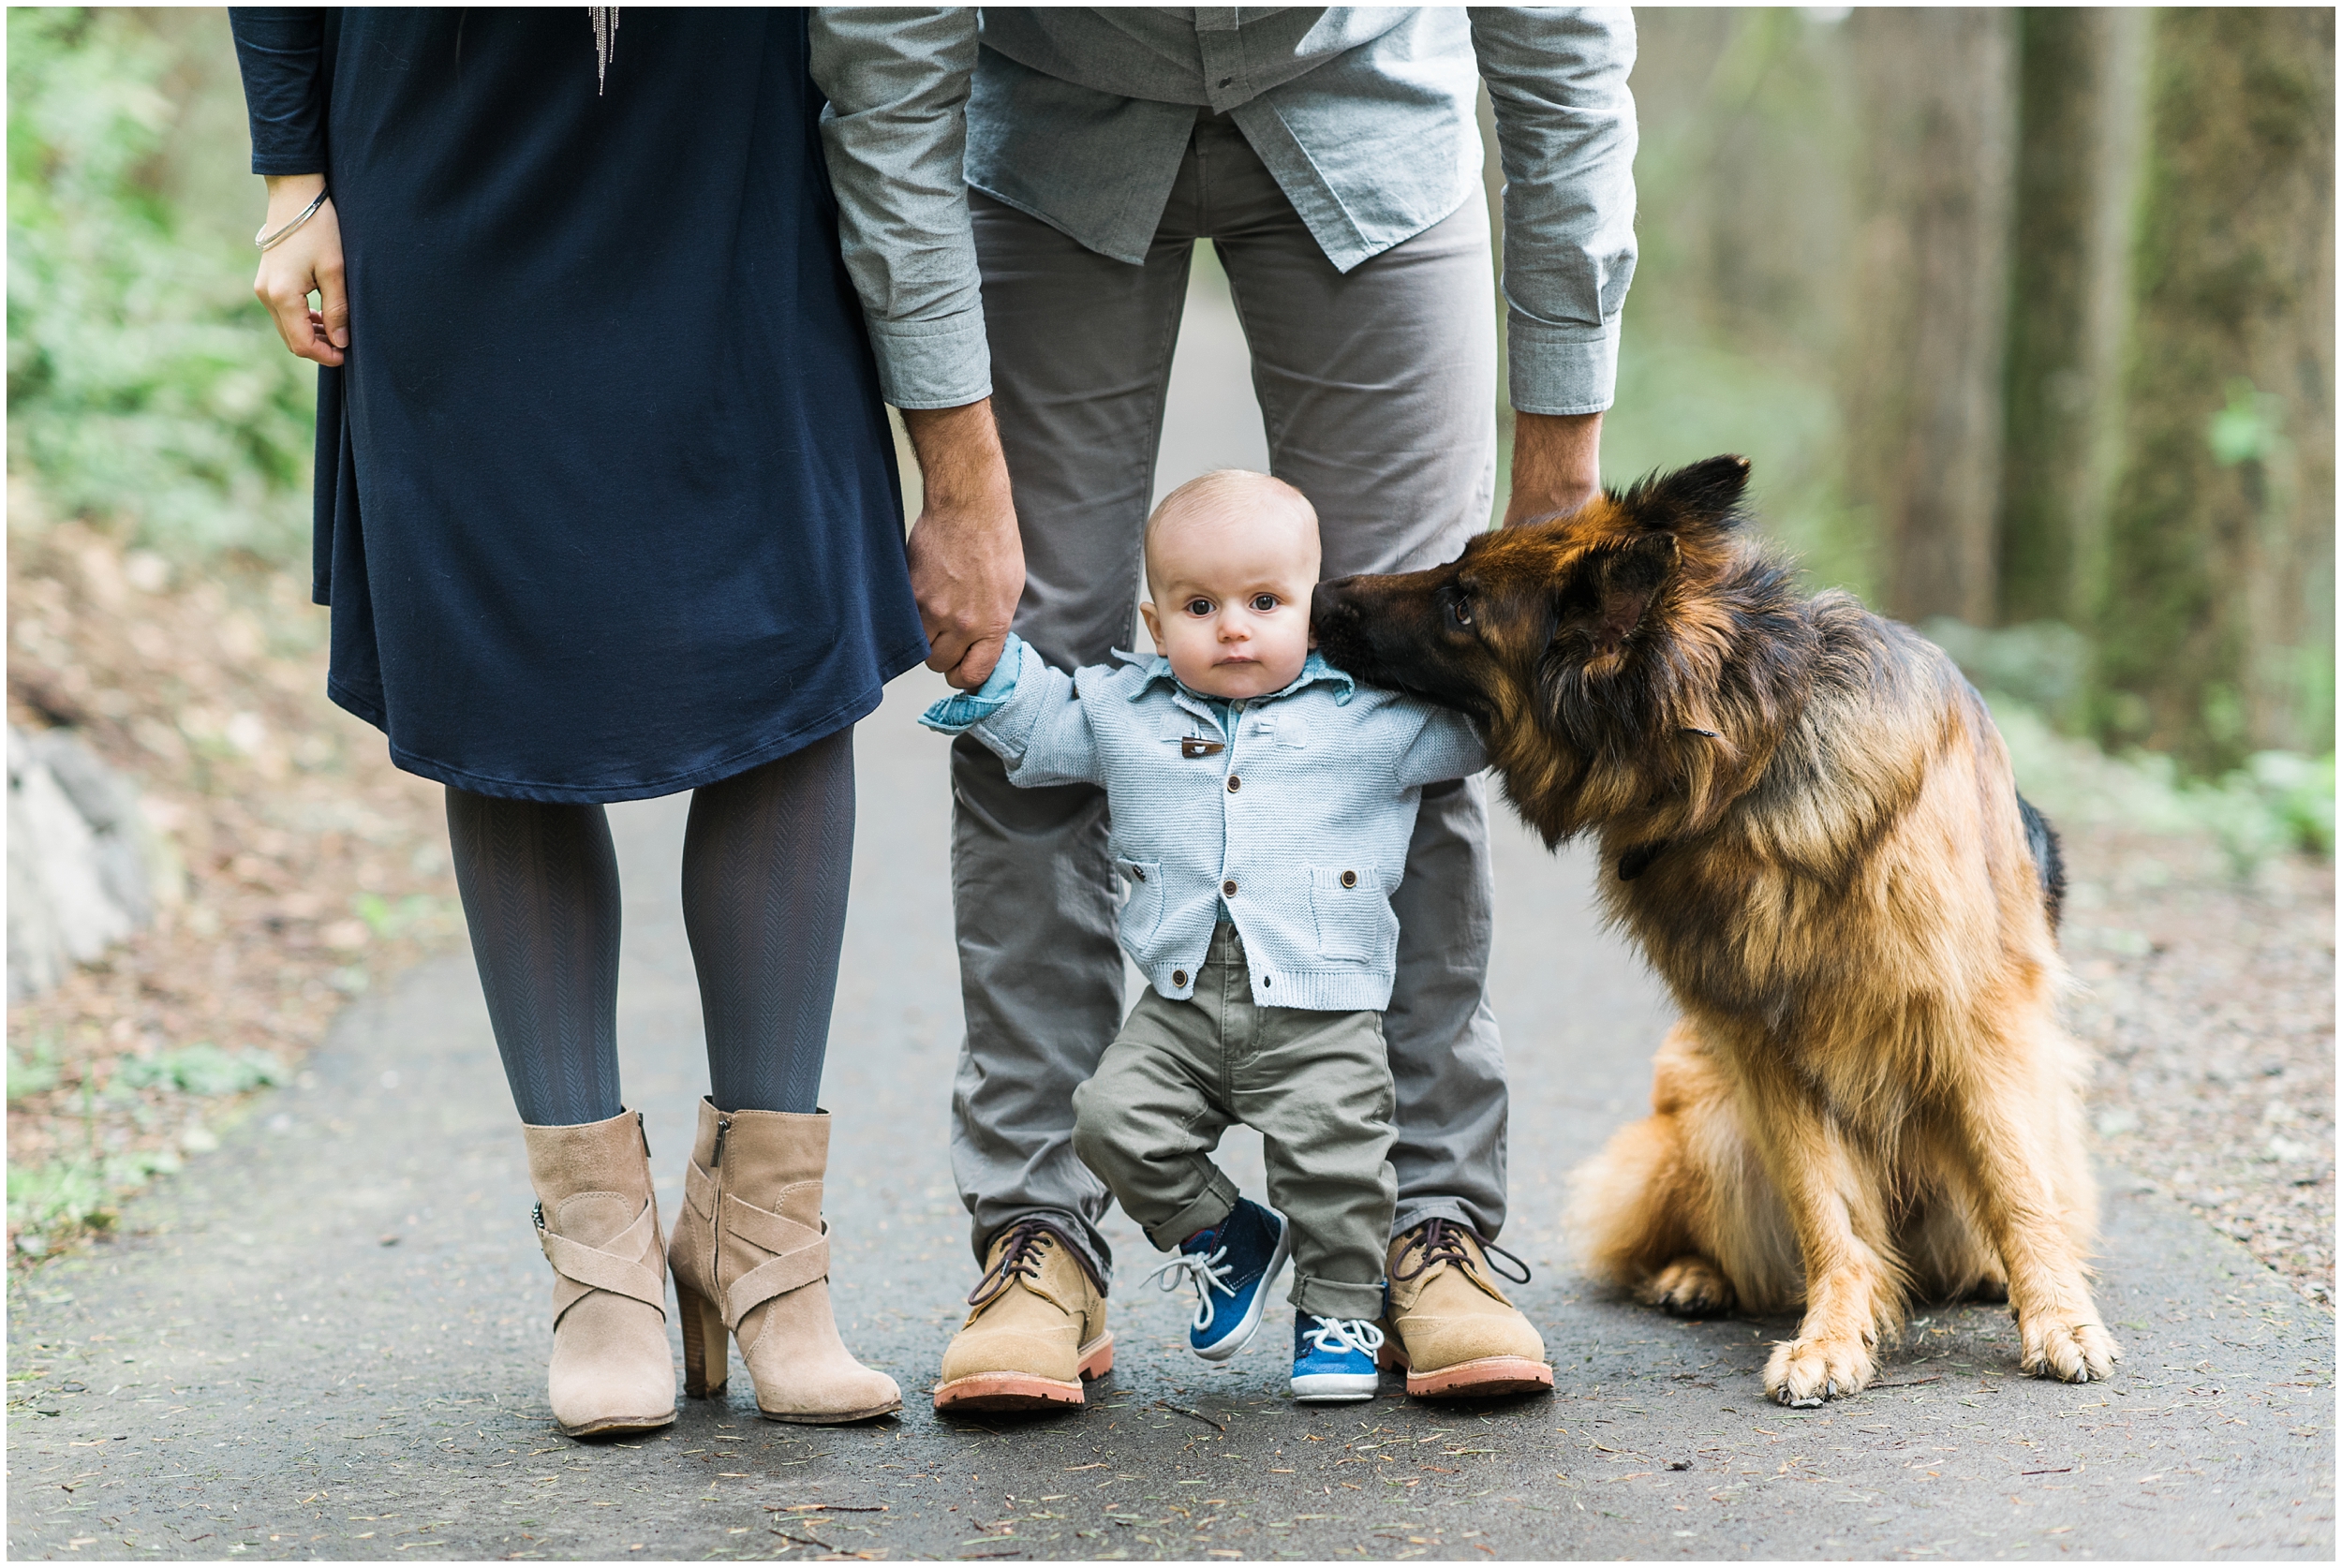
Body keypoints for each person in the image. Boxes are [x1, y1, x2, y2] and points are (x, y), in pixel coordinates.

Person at [810, 8, 1638, 1406]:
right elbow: (886, 83)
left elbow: (1562, 48)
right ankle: (1039, 1230)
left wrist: (1562, 455)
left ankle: (1426, 1222)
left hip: (1369, 118)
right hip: (1047, 137)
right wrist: (956, 477)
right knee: (1034, 682)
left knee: (1408, 686)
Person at [229, 7, 1022, 1437]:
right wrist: (294, 178)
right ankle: (599, 1268)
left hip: (728, 129)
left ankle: (768, 1249)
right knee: (504, 660)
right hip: (446, 144)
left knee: (782, 635)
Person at [922, 471, 1546, 1407]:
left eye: (1265, 603)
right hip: (1178, 1010)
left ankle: (1341, 1309)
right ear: (1153, 617)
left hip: (1321, 1010)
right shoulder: (1122, 712)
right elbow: (1045, 729)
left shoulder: (1376, 722)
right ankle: (1224, 1234)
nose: (1232, 629)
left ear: (1312, 610)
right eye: (1198, 606)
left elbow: (1489, 722)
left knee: (1336, 1163)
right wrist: (989, 673)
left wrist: (1542, 655)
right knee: (1108, 1123)